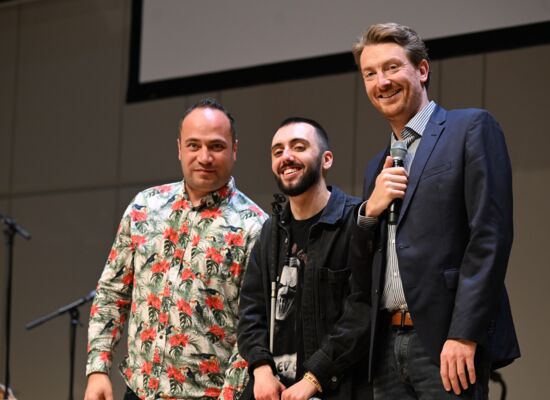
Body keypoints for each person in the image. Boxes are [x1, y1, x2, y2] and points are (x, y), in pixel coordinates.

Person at [350, 22, 520, 399]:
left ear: (422, 70)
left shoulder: (470, 127)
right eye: (370, 73)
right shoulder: (377, 165)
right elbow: (364, 269)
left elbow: (490, 236)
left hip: (445, 343)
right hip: (385, 350)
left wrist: (464, 333)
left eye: (392, 67)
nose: (382, 82)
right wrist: (367, 212)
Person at [84, 98, 266, 400]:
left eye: (216, 146)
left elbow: (252, 329)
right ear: (179, 148)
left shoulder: (255, 227)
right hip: (138, 391)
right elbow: (111, 293)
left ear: (234, 149)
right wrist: (98, 369)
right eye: (194, 145)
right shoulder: (145, 206)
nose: (204, 157)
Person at [238, 117, 373, 400]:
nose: (286, 156)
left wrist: (314, 378)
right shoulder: (270, 231)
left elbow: (362, 312)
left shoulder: (354, 221)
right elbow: (251, 312)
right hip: (272, 391)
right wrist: (261, 370)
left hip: (332, 390)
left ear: (326, 159)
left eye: (298, 147)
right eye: (278, 151)